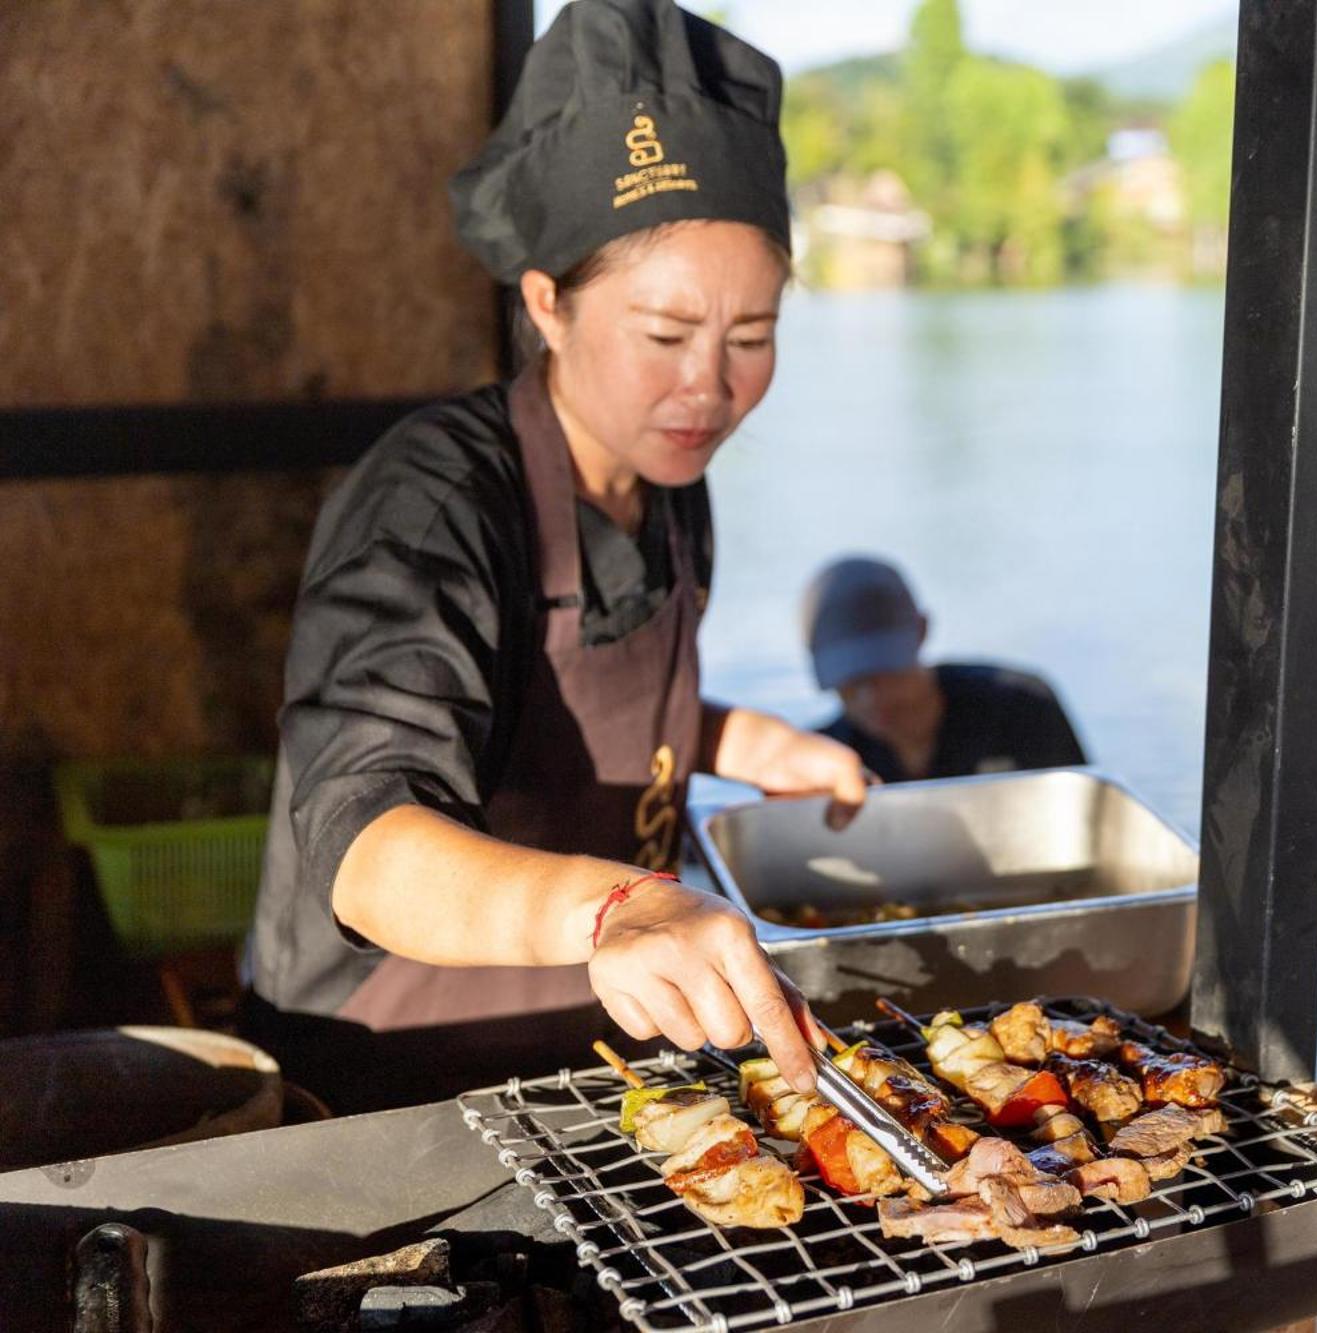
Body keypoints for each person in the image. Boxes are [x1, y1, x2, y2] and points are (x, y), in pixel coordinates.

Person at [242, 0, 862, 1112]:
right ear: (549, 305)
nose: (710, 389)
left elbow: (549, 712)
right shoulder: (432, 502)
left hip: (587, 1056)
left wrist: (738, 736)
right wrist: (618, 910)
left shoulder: (666, 478)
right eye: (666, 335)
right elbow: (370, 846)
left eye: (753, 336)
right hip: (388, 1079)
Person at [802, 556, 1088, 783]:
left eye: (883, 674)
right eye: (850, 684)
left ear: (922, 631)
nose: (870, 699)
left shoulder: (1024, 709)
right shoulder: (821, 758)